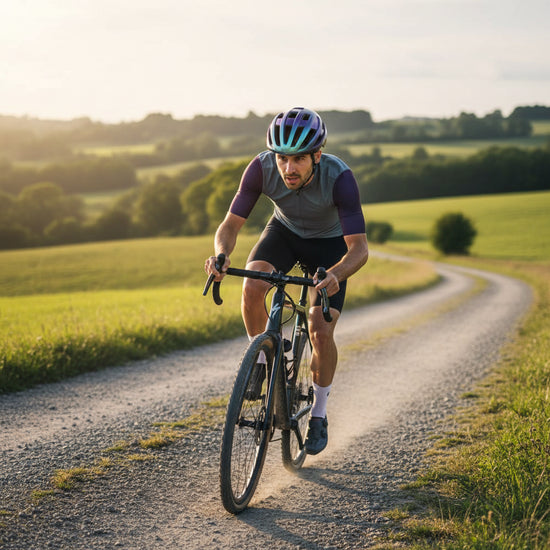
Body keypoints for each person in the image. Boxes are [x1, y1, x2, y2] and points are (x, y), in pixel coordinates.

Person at [204, 107, 369, 455]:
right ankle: (262, 361)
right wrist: (221, 255)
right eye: (282, 159)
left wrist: (337, 273)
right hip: (285, 233)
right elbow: (231, 225)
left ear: (317, 156)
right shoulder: (260, 168)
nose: (288, 169)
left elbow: (359, 249)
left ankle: (319, 415)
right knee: (252, 286)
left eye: (298, 160)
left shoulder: (340, 178)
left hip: (329, 247)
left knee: (320, 328)